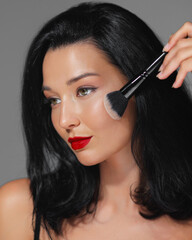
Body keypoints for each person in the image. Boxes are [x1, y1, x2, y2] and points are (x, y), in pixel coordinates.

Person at [0, 2, 192, 240]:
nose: (64, 120)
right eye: (53, 100)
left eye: (84, 90)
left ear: (137, 87)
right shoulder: (20, 210)